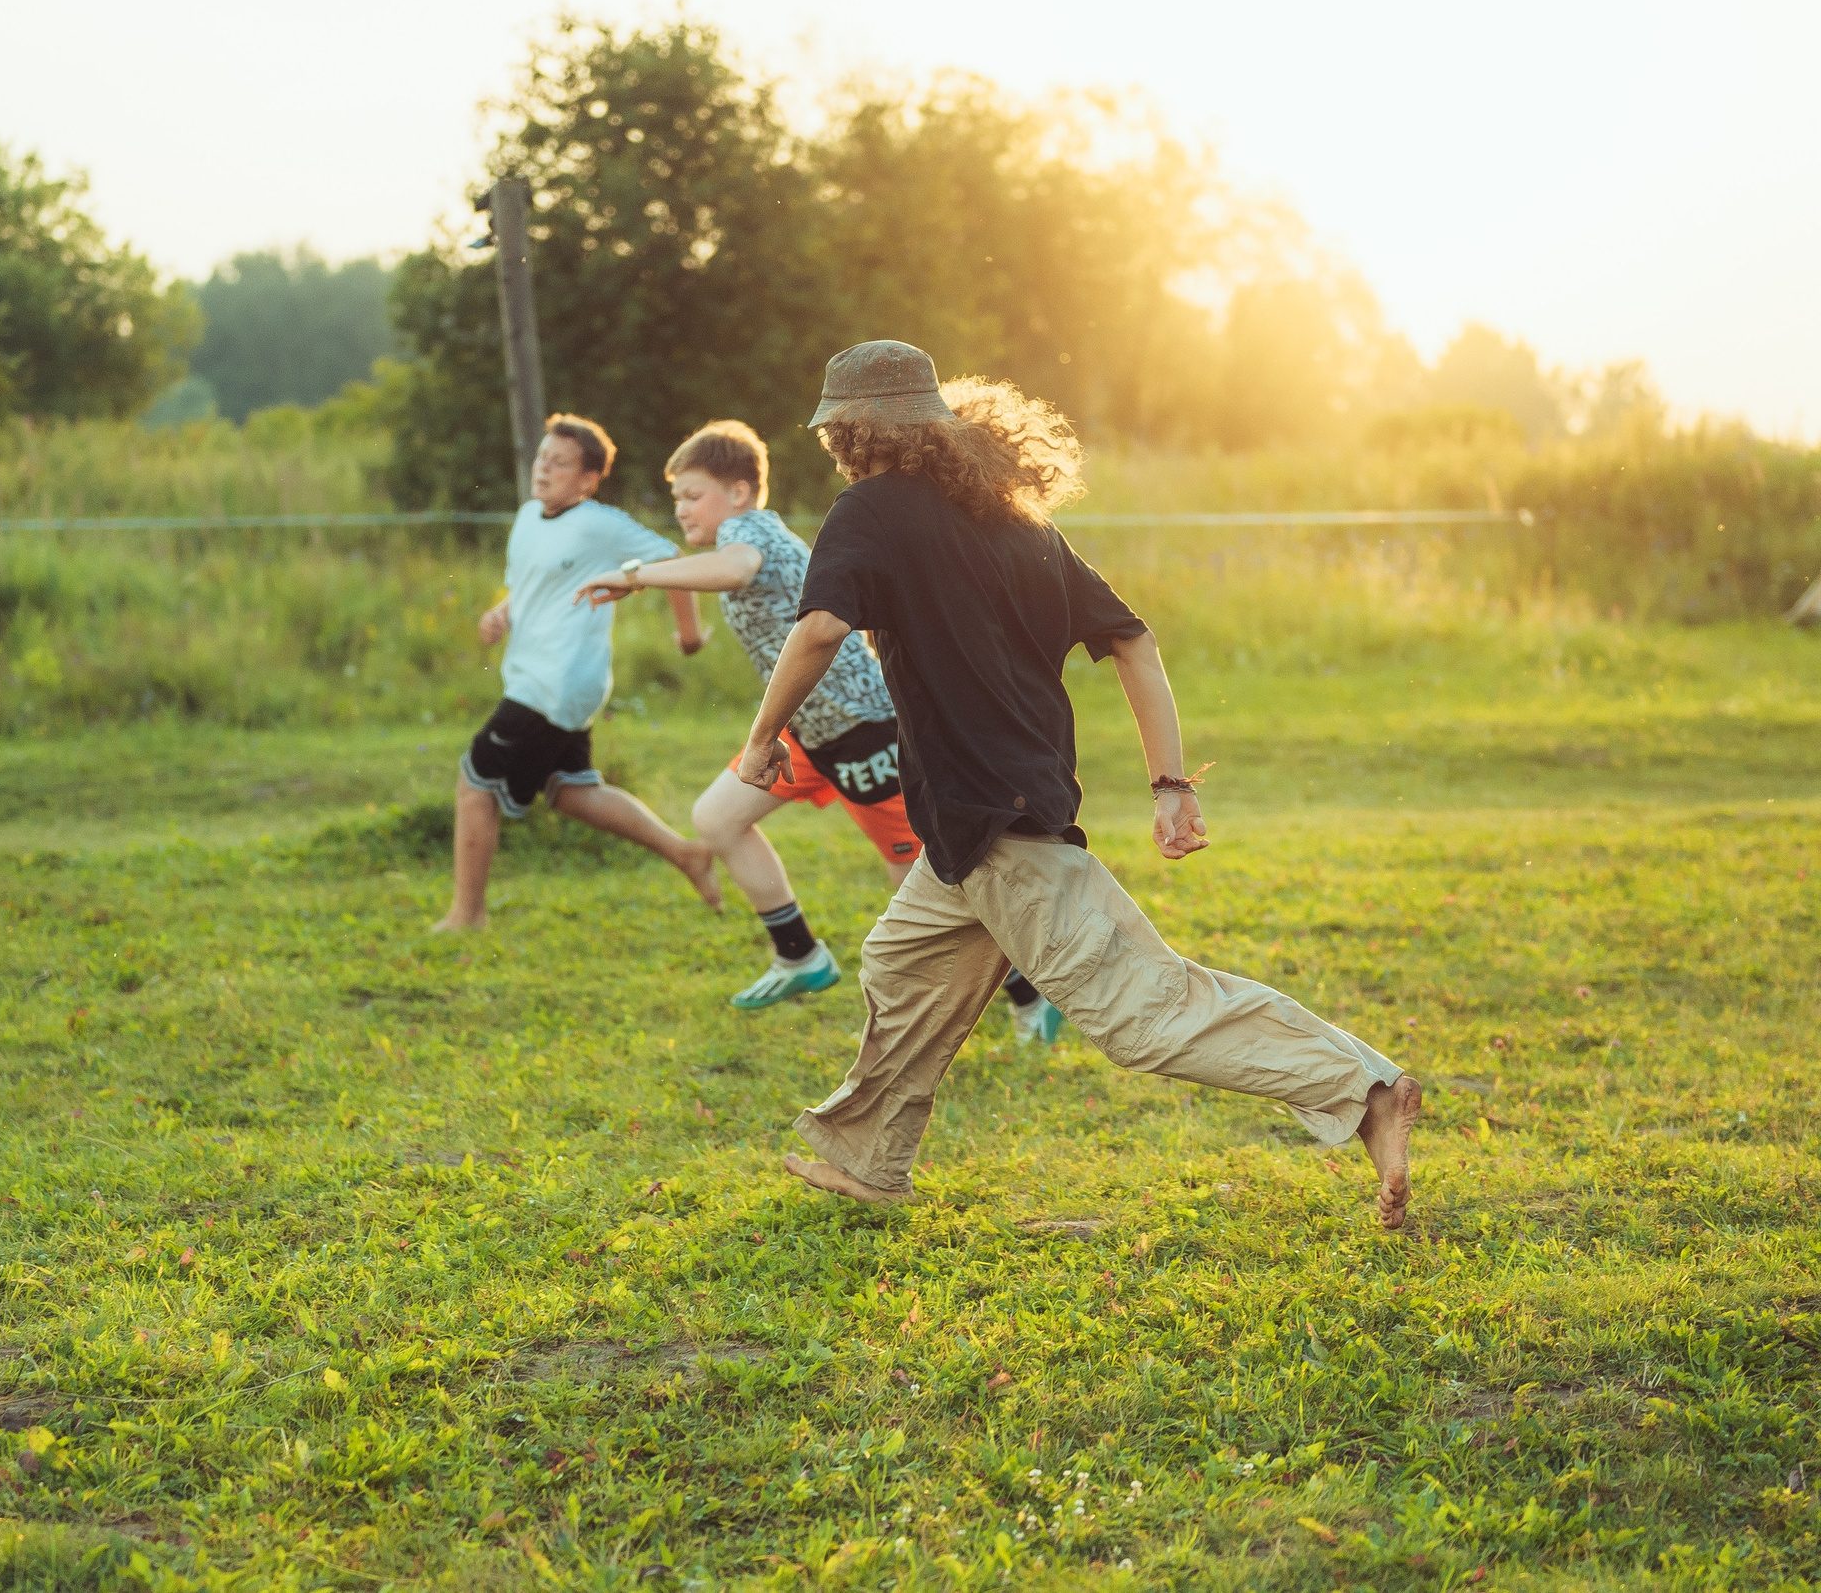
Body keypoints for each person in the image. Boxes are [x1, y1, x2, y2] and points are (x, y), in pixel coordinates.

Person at [743, 341, 1423, 1229]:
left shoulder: (869, 509)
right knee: (903, 962)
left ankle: (1363, 1088)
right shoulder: (1013, 519)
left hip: (998, 818)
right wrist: (1168, 780)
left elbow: (822, 625)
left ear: (855, 431)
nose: (837, 448)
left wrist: (763, 736)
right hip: (980, 815)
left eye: (838, 432)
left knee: (1144, 1012)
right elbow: (1132, 639)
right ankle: (870, 1158)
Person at [574, 419, 1066, 1036]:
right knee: (718, 819)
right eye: (675, 498)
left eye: (692, 494)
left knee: (929, 883)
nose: (681, 509)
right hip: (805, 733)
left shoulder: (747, 532)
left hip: (866, 732)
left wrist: (635, 575)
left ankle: (1029, 993)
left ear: (739, 493)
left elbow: (735, 567)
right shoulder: (747, 533)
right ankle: (799, 954)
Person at [432, 414, 724, 932]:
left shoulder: (599, 524)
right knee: (571, 791)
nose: (543, 469)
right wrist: (502, 612)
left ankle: (466, 916)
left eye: (560, 463)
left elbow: (674, 560)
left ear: (589, 479)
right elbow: (527, 586)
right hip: (545, 679)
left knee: (474, 785)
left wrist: (689, 636)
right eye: (542, 458)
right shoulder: (527, 517)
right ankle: (686, 854)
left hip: (553, 684)